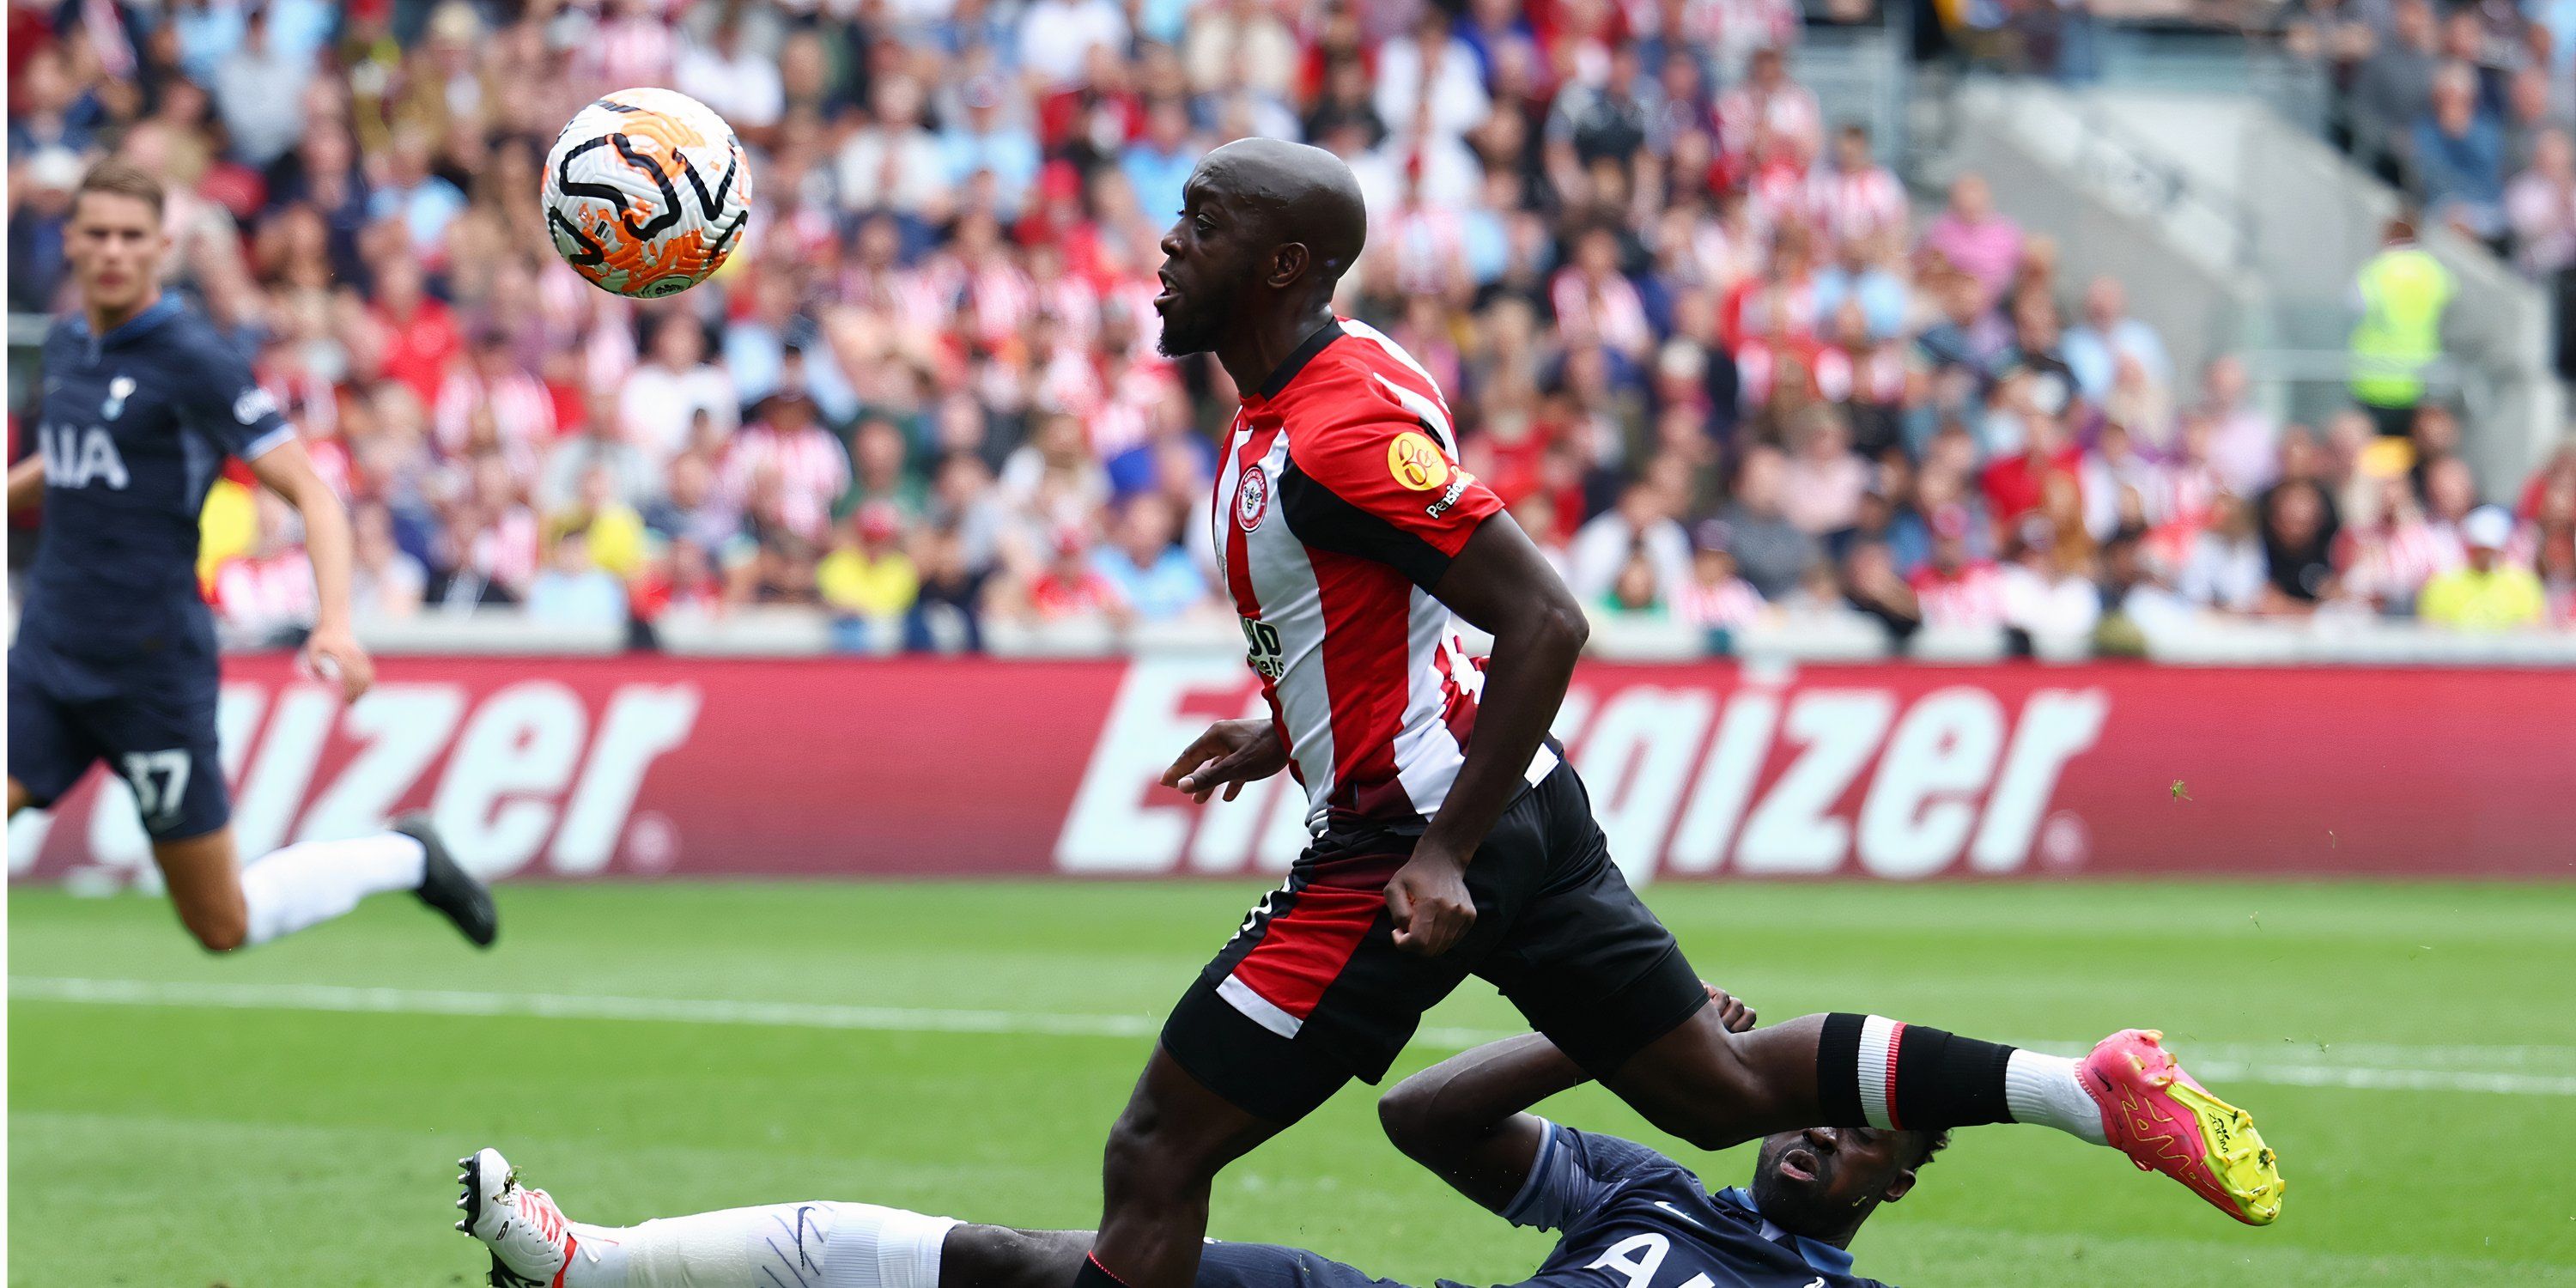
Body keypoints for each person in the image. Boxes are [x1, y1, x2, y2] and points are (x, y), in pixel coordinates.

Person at [1075, 138, 2282, 1288]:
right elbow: (1400, 611)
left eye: (1202, 219)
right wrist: (1288, 726)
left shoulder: (1337, 434)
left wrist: (1442, 854)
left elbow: (1545, 617)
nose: (1169, 244)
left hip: (1414, 834)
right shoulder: (1345, 379)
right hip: (1517, 804)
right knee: (1720, 1096)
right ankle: (2081, 1090)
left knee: (1156, 1154)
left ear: (1284, 262)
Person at [459, 987, 1981, 1288]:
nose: (1820, 1136)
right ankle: (590, 1266)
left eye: (1857, 1137)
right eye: (1812, 1108)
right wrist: (1605, 1029)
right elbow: (1424, 1119)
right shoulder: (1654, 1187)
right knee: (1053, 1266)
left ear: (1906, 1174)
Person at [6, 162, 494, 953]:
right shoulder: (65, 345)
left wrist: (336, 623)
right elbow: (66, 459)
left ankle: (406, 856)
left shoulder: (192, 358)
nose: (113, 251)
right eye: (97, 233)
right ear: (71, 240)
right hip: (49, 654)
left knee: (222, 924)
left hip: (151, 671)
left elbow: (313, 491)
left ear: (164, 247)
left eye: (132, 237)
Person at [2419, 504, 2546, 628]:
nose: (2485, 555)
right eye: (2480, 549)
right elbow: (2431, 628)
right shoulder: (2443, 582)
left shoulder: (2523, 583)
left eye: (2490, 549)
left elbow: (2535, 627)